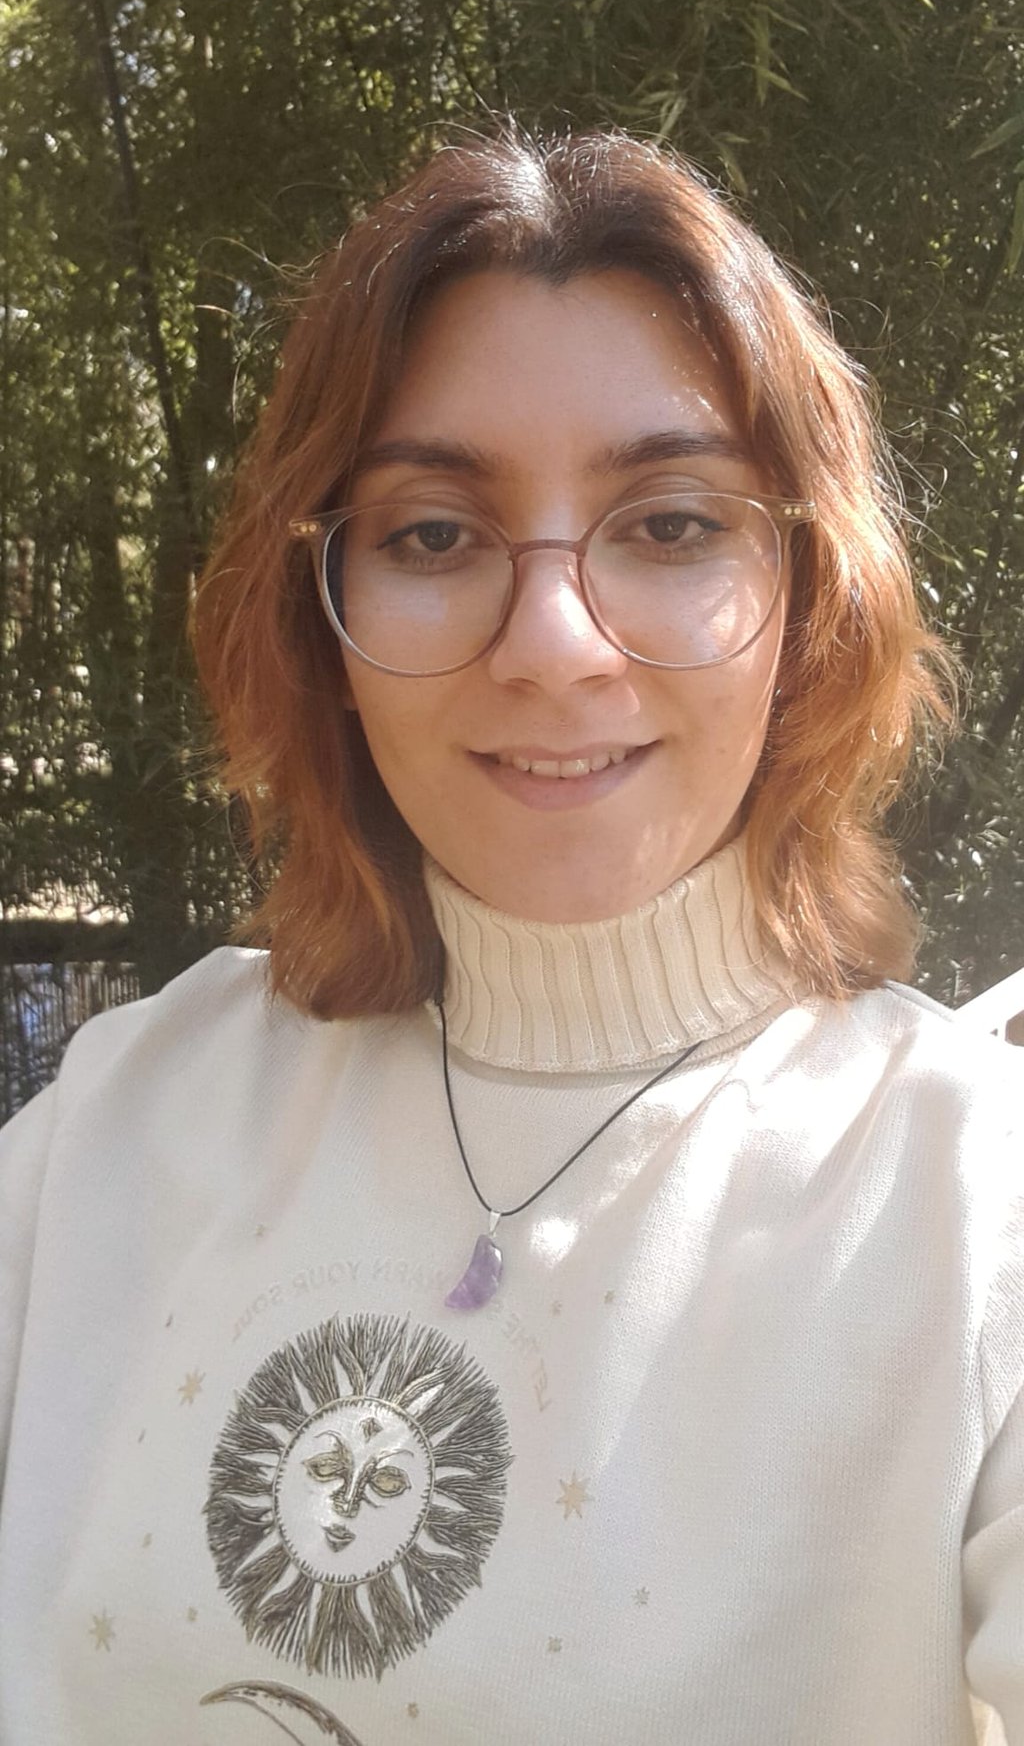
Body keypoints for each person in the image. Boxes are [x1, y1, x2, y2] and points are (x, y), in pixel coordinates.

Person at [0, 127, 1021, 1746]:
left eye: (671, 525)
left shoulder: (969, 1198)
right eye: (432, 534)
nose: (553, 644)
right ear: (323, 620)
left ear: (810, 596)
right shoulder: (115, 1127)